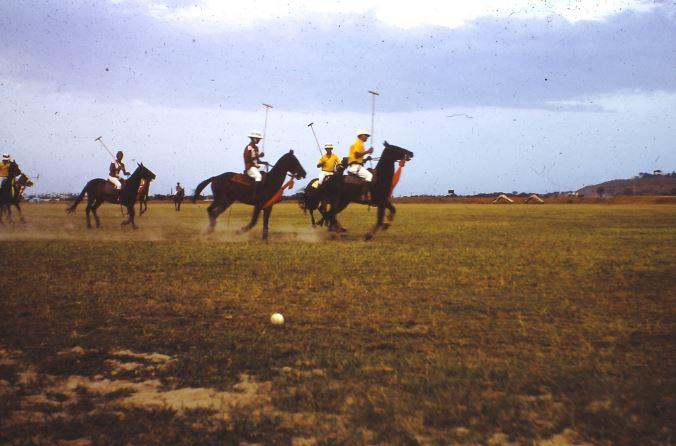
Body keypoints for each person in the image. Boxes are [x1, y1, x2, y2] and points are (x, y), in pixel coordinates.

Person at [243, 131, 265, 199]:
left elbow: (257, 161)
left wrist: (263, 162)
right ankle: (254, 195)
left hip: (256, 167)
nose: (259, 140)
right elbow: (247, 159)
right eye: (257, 139)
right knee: (258, 176)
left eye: (259, 139)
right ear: (253, 138)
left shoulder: (256, 148)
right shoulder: (249, 147)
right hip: (250, 167)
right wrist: (258, 156)